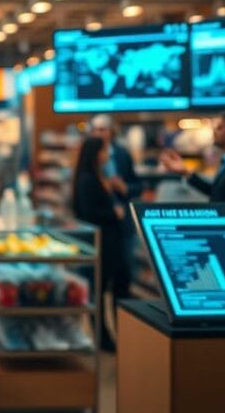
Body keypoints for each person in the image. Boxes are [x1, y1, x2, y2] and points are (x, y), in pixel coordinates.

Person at [72, 137, 128, 352]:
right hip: (102, 243)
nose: (107, 154)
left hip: (109, 241)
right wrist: (114, 213)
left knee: (111, 286)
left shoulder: (99, 176)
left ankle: (114, 334)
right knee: (99, 289)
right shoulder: (87, 179)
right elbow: (89, 213)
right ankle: (103, 338)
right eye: (104, 150)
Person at [89, 114, 143, 288]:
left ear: (111, 132)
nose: (99, 134)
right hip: (101, 225)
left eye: (102, 130)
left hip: (123, 226)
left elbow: (137, 186)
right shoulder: (89, 158)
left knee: (123, 274)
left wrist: (124, 188)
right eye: (95, 130)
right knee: (100, 278)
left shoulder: (122, 155)